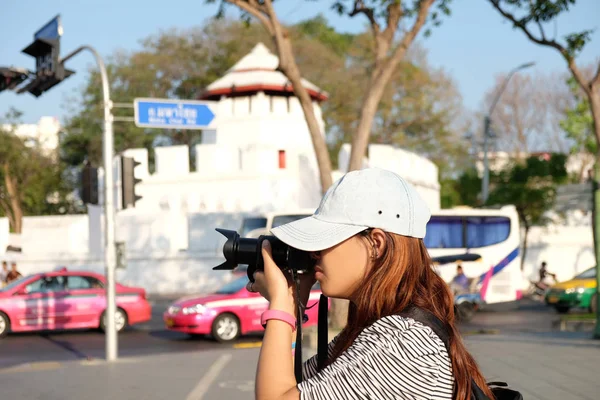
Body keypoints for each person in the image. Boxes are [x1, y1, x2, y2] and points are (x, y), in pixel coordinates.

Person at [248, 168, 494, 400]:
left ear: (376, 243)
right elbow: (294, 386)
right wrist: (293, 303)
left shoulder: (402, 344)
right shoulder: (380, 328)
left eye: (325, 239)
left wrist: (282, 304)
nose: (314, 252)